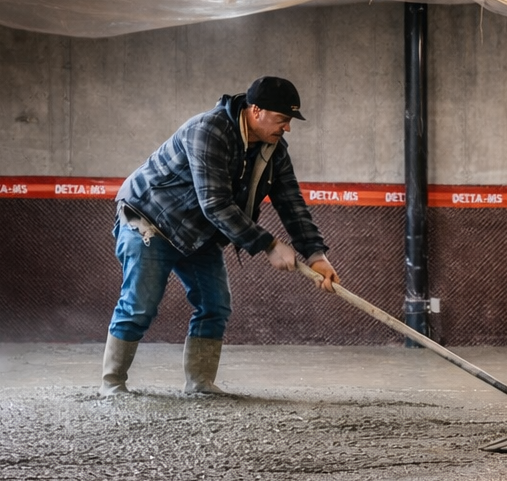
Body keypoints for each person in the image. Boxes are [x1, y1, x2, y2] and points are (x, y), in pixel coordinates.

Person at [101, 75, 340, 395]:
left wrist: (316, 256)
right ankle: (112, 385)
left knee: (215, 304)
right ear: (256, 111)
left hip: (198, 232)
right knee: (140, 306)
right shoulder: (209, 130)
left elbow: (292, 204)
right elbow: (215, 203)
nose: (287, 128)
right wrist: (267, 244)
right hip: (151, 221)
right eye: (283, 119)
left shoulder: (274, 150)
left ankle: (200, 384)